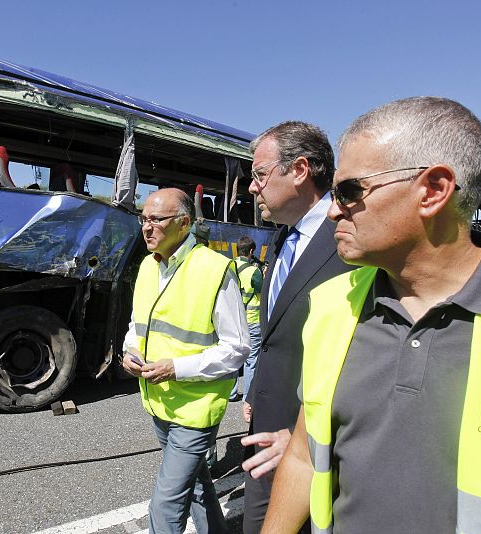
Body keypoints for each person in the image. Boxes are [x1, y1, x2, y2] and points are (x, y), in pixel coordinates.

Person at [264, 96, 481, 533]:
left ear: (434, 190)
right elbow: (303, 458)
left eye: (349, 191)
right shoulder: (332, 304)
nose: (334, 210)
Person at [239, 122, 353, 534]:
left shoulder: (350, 240)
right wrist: (256, 392)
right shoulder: (282, 240)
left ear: (300, 170)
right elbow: (274, 337)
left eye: (259, 174)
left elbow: (363, 351)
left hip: (311, 447)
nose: (252, 188)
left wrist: (307, 439)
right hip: (266, 435)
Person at [122, 188, 250, 534]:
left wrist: (176, 368)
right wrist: (128, 352)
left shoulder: (214, 269)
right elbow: (138, 325)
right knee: (195, 486)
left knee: (165, 503)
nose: (147, 228)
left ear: (184, 223)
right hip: (159, 402)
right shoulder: (149, 266)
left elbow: (237, 348)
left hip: (195, 408)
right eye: (143, 219)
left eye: (156, 220)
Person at [229, 236, 263, 405]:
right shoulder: (253, 271)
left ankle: (231, 392)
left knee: (233, 355)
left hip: (232, 320)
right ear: (251, 251)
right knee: (251, 359)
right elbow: (261, 292)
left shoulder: (227, 267)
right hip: (251, 320)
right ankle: (248, 395)